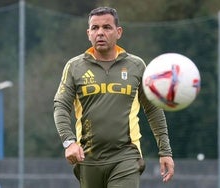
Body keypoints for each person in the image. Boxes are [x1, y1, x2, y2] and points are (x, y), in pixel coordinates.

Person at [53, 6, 174, 188]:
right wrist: (69, 142)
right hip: (88, 159)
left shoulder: (137, 66)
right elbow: (60, 106)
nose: (100, 32)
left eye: (107, 27)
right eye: (95, 28)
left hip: (126, 156)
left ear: (118, 32)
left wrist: (165, 151)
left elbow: (153, 109)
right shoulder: (74, 67)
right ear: (88, 33)